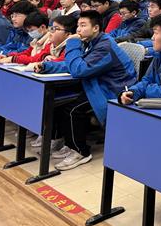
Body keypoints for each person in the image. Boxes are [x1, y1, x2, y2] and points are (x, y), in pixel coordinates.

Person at [48, 10, 136, 170]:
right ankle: (69, 143)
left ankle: (81, 151)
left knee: (72, 109)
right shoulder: (91, 42)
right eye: (78, 25)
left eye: (83, 25)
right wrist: (47, 66)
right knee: (60, 103)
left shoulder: (105, 46)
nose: (78, 30)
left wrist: (72, 44)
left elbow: (79, 70)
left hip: (112, 91)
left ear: (95, 28)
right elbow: (74, 64)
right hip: (96, 85)